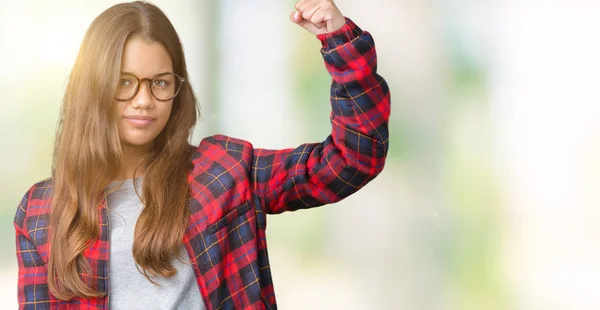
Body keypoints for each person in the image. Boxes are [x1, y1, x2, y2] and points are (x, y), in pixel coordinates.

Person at [14, 0, 390, 309]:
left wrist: (339, 41)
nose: (144, 101)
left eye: (159, 82)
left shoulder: (224, 172)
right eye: (124, 82)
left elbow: (354, 158)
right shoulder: (41, 211)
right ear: (93, 86)